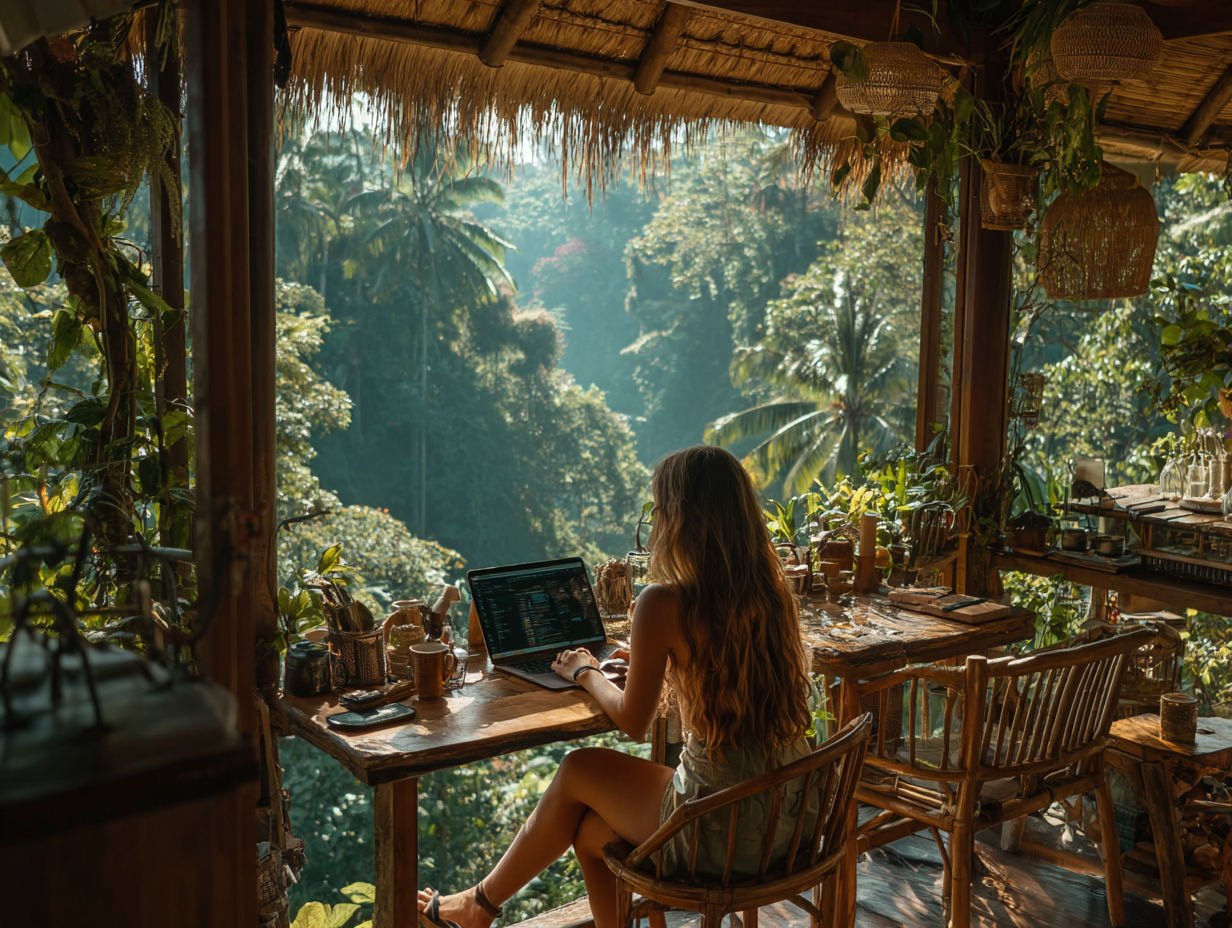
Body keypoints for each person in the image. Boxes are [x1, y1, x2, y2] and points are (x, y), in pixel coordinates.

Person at [418, 446, 817, 928]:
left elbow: (632, 723)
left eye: (661, 510)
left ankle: (479, 906)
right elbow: (718, 670)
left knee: (578, 766)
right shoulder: (773, 592)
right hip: (785, 814)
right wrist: (656, 662)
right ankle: (478, 906)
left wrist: (585, 671)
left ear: (682, 519)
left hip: (720, 824)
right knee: (591, 834)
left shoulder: (663, 601)